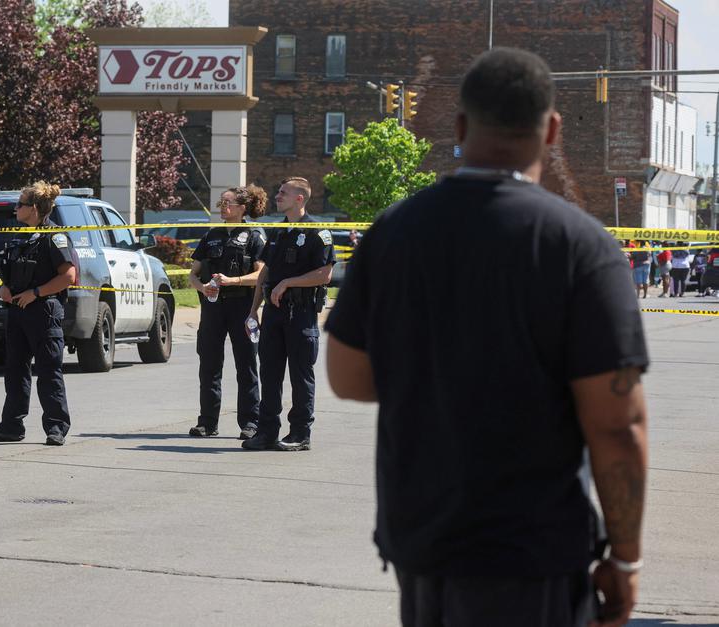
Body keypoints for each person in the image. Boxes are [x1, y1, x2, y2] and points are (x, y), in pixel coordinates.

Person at [325, 48, 648, 626]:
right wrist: (624, 561)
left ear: (459, 126)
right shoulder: (581, 246)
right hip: (536, 554)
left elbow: (347, 378)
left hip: (425, 542)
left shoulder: (393, 233)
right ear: (551, 130)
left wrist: (435, 371)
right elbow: (617, 423)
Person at [242, 177, 335, 452]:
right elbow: (265, 273)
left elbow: (325, 274)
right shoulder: (278, 232)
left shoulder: (318, 232)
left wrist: (288, 283)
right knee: (269, 373)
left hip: (301, 313)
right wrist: (253, 311)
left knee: (300, 375)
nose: (277, 196)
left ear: (299, 199)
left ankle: (300, 434)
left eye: (283, 193)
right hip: (273, 314)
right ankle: (267, 432)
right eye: (278, 191)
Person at [0, 182, 76, 446]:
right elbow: (9, 273)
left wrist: (36, 293)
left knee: (48, 371)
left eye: (21, 204)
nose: (16, 208)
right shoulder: (20, 236)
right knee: (14, 370)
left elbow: (68, 276)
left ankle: (56, 427)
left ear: (34, 209)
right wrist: (4, 287)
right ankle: (11, 425)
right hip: (17, 313)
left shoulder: (54, 237)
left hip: (43, 312)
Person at [187, 186, 267, 439]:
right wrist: (203, 287)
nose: (222, 206)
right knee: (209, 364)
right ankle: (207, 423)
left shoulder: (254, 235)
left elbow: (260, 275)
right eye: (221, 202)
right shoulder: (212, 234)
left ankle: (250, 423)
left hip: (242, 306)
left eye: (228, 202)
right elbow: (193, 273)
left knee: (246, 366)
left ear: (243, 208)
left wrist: (233, 281)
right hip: (213, 308)